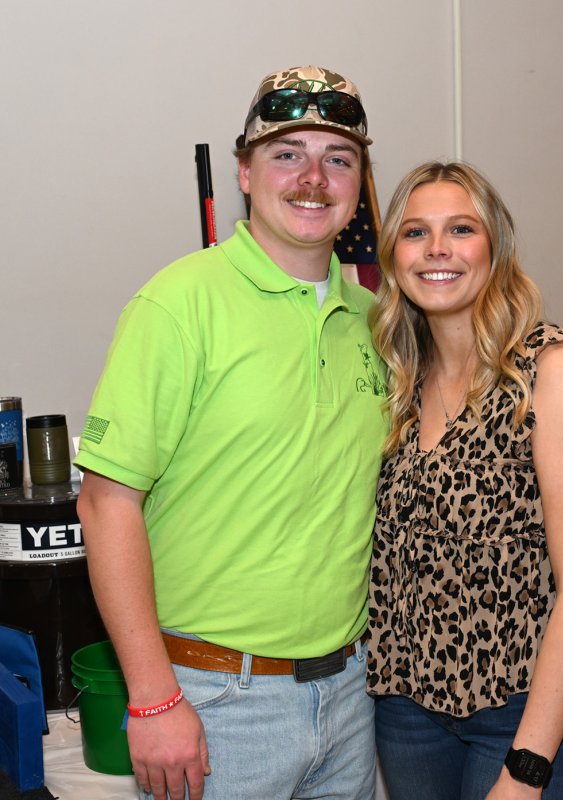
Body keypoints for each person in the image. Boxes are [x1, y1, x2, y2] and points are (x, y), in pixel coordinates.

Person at [74, 65, 387, 800]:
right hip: (214, 703)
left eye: (337, 158)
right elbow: (105, 503)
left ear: (359, 182)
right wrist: (153, 698)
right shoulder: (179, 302)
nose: (313, 177)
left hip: (349, 693)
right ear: (244, 172)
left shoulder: (375, 320)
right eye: (286, 154)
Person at [367, 161, 563, 800]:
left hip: (525, 707)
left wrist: (528, 767)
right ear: (393, 254)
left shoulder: (552, 371)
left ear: (496, 248)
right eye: (415, 233)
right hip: (406, 708)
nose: (438, 251)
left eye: (461, 229)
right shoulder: (396, 384)